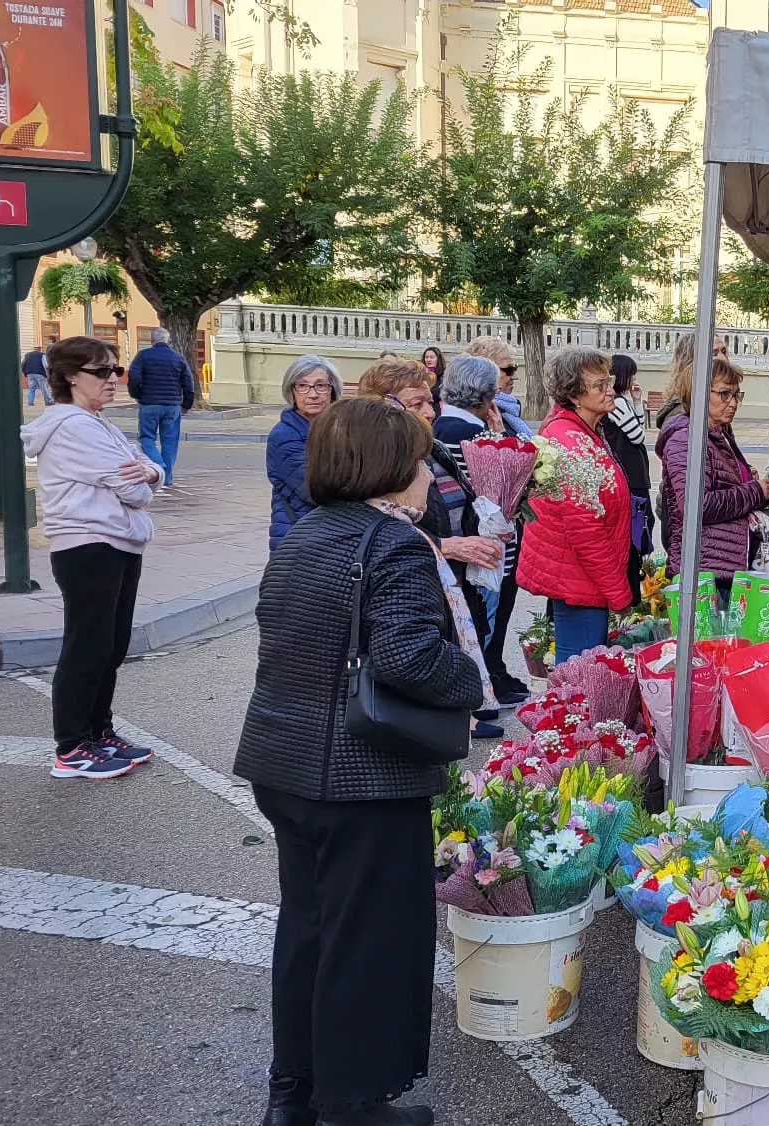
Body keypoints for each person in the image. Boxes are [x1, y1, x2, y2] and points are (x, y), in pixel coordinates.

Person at [236, 397, 485, 1126]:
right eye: (420, 461)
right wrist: (469, 678)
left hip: (284, 764)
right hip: (362, 779)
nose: (427, 476)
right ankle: (351, 1104)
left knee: (308, 929)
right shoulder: (393, 544)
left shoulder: (305, 535)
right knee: (368, 941)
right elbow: (409, 657)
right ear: (389, 466)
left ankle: (294, 1093)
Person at [20, 336, 163, 780]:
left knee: (110, 645)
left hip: (117, 543)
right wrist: (146, 478)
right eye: (101, 372)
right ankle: (72, 746)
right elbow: (135, 489)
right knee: (87, 646)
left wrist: (150, 471)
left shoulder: (98, 423)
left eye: (115, 369)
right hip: (88, 546)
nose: (113, 379)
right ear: (69, 377)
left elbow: (147, 467)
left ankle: (99, 731)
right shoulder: (73, 426)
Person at [358, 357, 506, 737]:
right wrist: (445, 545)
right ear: (384, 408)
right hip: (423, 566)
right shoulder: (379, 460)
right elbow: (381, 522)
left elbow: (462, 498)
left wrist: (491, 525)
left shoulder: (434, 448)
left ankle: (462, 712)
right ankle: (444, 720)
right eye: (417, 404)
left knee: (460, 636)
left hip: (454, 568)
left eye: (430, 400)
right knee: (430, 644)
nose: (430, 411)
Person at [520, 346, 632, 663]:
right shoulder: (569, 441)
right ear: (574, 395)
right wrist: (619, 593)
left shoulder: (583, 429)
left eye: (609, 381)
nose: (611, 390)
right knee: (580, 669)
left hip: (582, 577)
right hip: (580, 579)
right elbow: (586, 531)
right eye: (600, 385)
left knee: (581, 666)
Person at [434, 354, 530, 705]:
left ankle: (484, 690)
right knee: (481, 623)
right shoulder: (468, 432)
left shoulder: (446, 425)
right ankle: (479, 699)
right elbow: (487, 491)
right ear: (486, 393)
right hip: (483, 544)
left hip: (477, 541)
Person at [656, 357, 769, 600]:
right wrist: (755, 491)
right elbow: (697, 506)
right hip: (705, 570)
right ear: (699, 393)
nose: (733, 403)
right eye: (724, 394)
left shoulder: (718, 434)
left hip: (723, 563)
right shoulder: (686, 440)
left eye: (736, 395)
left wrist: (754, 488)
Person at [267, 356, 342, 552]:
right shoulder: (284, 436)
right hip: (298, 539)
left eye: (321, 386)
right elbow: (315, 489)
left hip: (329, 534)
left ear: (332, 390)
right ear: (291, 391)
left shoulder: (339, 430)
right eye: (302, 386)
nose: (313, 394)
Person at [603, 354, 656, 592]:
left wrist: (636, 401)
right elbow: (637, 436)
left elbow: (636, 426)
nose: (634, 378)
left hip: (631, 471)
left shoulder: (620, 401)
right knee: (641, 522)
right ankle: (635, 576)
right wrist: (631, 405)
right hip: (632, 472)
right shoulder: (617, 403)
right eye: (632, 374)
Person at [126, 327, 196, 491]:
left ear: (152, 340)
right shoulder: (178, 358)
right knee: (170, 441)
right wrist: (186, 404)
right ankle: (167, 476)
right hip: (172, 406)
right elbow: (188, 383)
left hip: (149, 404)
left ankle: (158, 465)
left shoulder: (143, 356)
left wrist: (137, 395)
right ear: (168, 341)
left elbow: (134, 377)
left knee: (146, 438)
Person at [464, 337, 532, 438]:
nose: (515, 377)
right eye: (509, 370)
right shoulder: (474, 414)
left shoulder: (509, 409)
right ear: (483, 372)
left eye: (515, 368)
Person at [420, 346, 446, 411]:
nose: (428, 360)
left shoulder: (444, 376)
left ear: (438, 359)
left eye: (432, 357)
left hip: (438, 409)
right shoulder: (420, 374)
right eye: (426, 357)